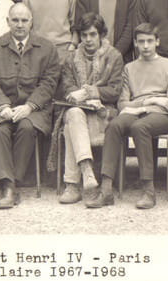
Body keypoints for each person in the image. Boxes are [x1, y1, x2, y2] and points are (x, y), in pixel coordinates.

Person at [90, 22, 168, 209]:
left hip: (161, 115)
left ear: (157, 41)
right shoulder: (129, 68)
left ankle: (149, 191)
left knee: (140, 127)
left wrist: (141, 106)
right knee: (114, 125)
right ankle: (106, 189)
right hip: (140, 110)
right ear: (135, 43)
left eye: (150, 41)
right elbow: (122, 104)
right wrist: (150, 101)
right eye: (141, 42)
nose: (145, 46)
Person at [0, 3, 60, 209]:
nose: (19, 25)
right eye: (15, 20)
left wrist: (30, 106)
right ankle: (9, 185)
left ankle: (9, 185)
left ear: (31, 22)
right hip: (1, 108)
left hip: (34, 109)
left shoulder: (47, 48)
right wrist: (2, 106)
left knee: (27, 127)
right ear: (7, 21)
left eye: (24, 20)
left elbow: (49, 83)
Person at [52, 13, 123, 206]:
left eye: (93, 34)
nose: (88, 40)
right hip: (78, 110)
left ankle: (72, 185)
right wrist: (79, 98)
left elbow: (115, 90)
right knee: (74, 114)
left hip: (103, 110)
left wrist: (90, 93)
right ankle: (86, 170)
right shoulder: (71, 58)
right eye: (84, 35)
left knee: (70, 126)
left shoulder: (114, 56)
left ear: (101, 35)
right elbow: (68, 88)